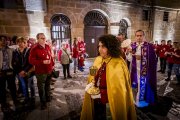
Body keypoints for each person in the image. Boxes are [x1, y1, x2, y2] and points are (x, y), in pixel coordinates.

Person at [81, 34, 136, 120]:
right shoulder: (98, 59)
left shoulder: (118, 63)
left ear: (111, 47)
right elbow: (92, 73)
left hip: (109, 102)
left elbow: (119, 90)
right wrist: (92, 82)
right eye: (99, 46)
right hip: (96, 99)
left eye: (103, 47)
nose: (100, 49)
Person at [127, 30, 157, 108]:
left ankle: (142, 100)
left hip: (145, 71)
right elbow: (129, 59)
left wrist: (142, 58)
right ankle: (135, 98)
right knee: (135, 84)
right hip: (134, 70)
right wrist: (128, 53)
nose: (139, 37)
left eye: (141, 35)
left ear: (144, 36)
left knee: (143, 85)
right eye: (137, 35)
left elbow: (153, 59)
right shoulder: (132, 45)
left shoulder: (149, 46)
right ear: (135, 36)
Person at [29, 33, 54, 110]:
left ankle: (48, 97)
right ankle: (43, 102)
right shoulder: (34, 48)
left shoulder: (47, 46)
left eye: (44, 38)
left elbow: (50, 56)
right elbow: (31, 60)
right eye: (42, 38)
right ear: (38, 39)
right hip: (41, 72)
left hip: (49, 70)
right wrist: (42, 62)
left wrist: (52, 65)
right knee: (41, 88)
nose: (44, 39)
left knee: (48, 85)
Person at [12, 37, 34, 104]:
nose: (22, 44)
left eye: (24, 42)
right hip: (20, 72)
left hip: (29, 70)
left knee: (31, 85)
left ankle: (32, 98)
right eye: (20, 42)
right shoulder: (15, 51)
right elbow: (14, 63)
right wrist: (19, 71)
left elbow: (30, 62)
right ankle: (26, 98)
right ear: (18, 43)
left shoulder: (29, 50)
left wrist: (25, 70)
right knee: (23, 85)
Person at [0, 35, 17, 112]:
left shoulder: (11, 50)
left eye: (5, 40)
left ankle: (15, 100)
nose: (4, 42)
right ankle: (3, 104)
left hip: (9, 71)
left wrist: (13, 69)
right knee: (2, 89)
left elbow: (14, 60)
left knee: (12, 87)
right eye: (2, 40)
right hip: (1, 72)